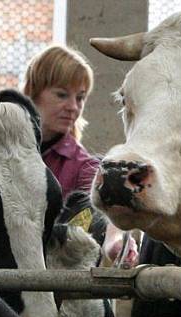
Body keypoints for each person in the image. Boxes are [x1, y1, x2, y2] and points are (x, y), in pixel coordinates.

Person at [23, 44, 138, 267]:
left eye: (80, 98)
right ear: (33, 93)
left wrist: (115, 242)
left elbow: (107, 206)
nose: (73, 107)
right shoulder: (3, 151)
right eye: (62, 95)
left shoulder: (82, 165)